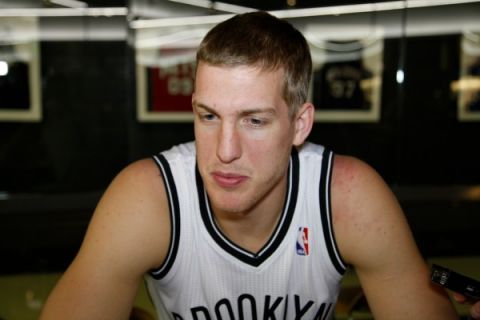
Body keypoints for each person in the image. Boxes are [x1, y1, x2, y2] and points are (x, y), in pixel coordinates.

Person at [40, 11, 459, 320]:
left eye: (254, 121)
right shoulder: (150, 199)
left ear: (300, 124)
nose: (224, 150)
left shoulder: (345, 197)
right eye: (208, 116)